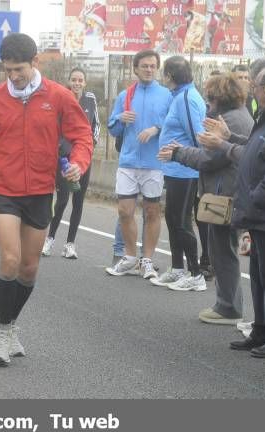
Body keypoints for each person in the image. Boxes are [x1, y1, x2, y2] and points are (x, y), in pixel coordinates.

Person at [0, 33, 93, 366]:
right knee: (10, 260)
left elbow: (82, 135)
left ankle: (11, 327)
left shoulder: (59, 96)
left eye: (19, 70)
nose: (13, 76)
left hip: (41, 190)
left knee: (29, 267)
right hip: (3, 190)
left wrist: (79, 164)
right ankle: (2, 333)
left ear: (35, 62)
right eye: (8, 70)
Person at [199, 65, 265, 358]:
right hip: (261, 215)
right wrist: (227, 141)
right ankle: (261, 330)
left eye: (255, 84)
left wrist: (256, 197)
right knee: (261, 276)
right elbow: (253, 151)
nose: (250, 88)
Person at [158, 73, 254, 323]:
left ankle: (228, 307)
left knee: (222, 251)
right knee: (223, 249)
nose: (207, 103)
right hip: (230, 190)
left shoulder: (230, 120)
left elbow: (209, 158)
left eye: (210, 98)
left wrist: (178, 153)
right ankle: (228, 305)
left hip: (225, 194)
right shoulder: (240, 115)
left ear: (220, 98)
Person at [105, 49, 173, 279]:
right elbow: (112, 128)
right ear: (136, 68)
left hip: (154, 163)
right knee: (125, 211)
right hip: (128, 161)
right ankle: (130, 256)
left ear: (157, 68)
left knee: (152, 211)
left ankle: (148, 260)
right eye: (144, 66)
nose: (149, 69)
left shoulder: (166, 95)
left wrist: (157, 128)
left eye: (153, 66)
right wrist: (120, 119)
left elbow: (173, 126)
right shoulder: (125, 95)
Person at [149, 56, 208, 291]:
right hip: (175, 169)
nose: (163, 78)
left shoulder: (186, 98)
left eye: (164, 73)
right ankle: (176, 268)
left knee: (181, 222)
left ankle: (196, 274)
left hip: (185, 171)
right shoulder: (179, 96)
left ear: (170, 77)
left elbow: (197, 136)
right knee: (173, 219)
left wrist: (194, 162)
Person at [42, 67, 100, 259]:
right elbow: (53, 126)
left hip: (83, 159)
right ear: (69, 81)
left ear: (85, 82)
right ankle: (50, 239)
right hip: (65, 159)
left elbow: (96, 126)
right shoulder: (62, 98)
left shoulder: (90, 99)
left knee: (78, 201)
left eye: (80, 80)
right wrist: (59, 148)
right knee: (62, 200)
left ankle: (70, 244)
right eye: (74, 79)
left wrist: (91, 146)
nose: (77, 83)